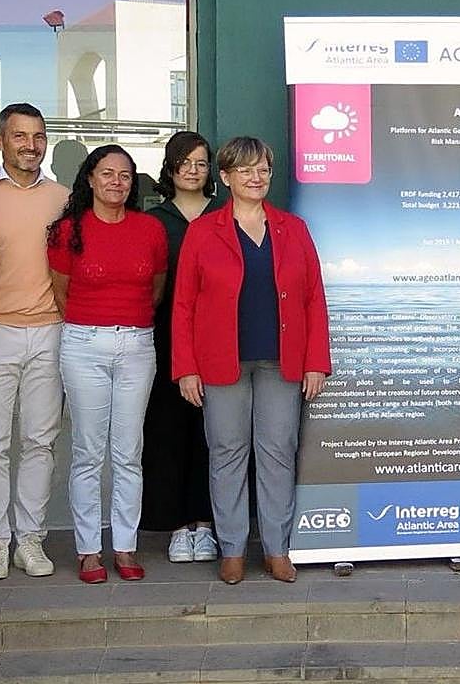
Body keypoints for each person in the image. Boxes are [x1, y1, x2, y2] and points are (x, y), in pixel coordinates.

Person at [172, 136, 331, 586]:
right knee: (226, 452)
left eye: (262, 169)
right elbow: (182, 304)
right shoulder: (204, 232)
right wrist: (186, 366)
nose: (256, 178)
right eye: (245, 171)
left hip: (282, 361)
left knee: (278, 452)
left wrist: (316, 361)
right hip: (221, 361)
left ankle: (278, 549)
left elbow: (314, 299)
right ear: (225, 178)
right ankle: (233, 549)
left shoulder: (293, 228)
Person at [47, 145, 168, 584]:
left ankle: (125, 545)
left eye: (125, 175)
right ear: (91, 179)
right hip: (83, 343)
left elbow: (154, 288)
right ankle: (87, 550)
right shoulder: (67, 231)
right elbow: (62, 293)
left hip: (137, 344)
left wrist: (124, 322)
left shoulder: (150, 229)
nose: (116, 182)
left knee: (128, 453)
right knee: (87, 452)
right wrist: (96, 322)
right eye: (107, 173)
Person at [0, 103, 70, 580]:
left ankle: (29, 539)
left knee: (40, 442)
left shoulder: (64, 198)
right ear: (0, 140)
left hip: (50, 329)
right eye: (20, 136)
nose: (30, 145)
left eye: (38, 135)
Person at [140, 132, 221, 563]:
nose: (193, 169)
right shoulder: (154, 220)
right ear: (170, 166)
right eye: (184, 161)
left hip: (219, 343)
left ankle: (206, 524)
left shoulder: (226, 216)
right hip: (165, 339)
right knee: (168, 433)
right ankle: (176, 527)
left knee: (213, 436)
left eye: (201, 162)